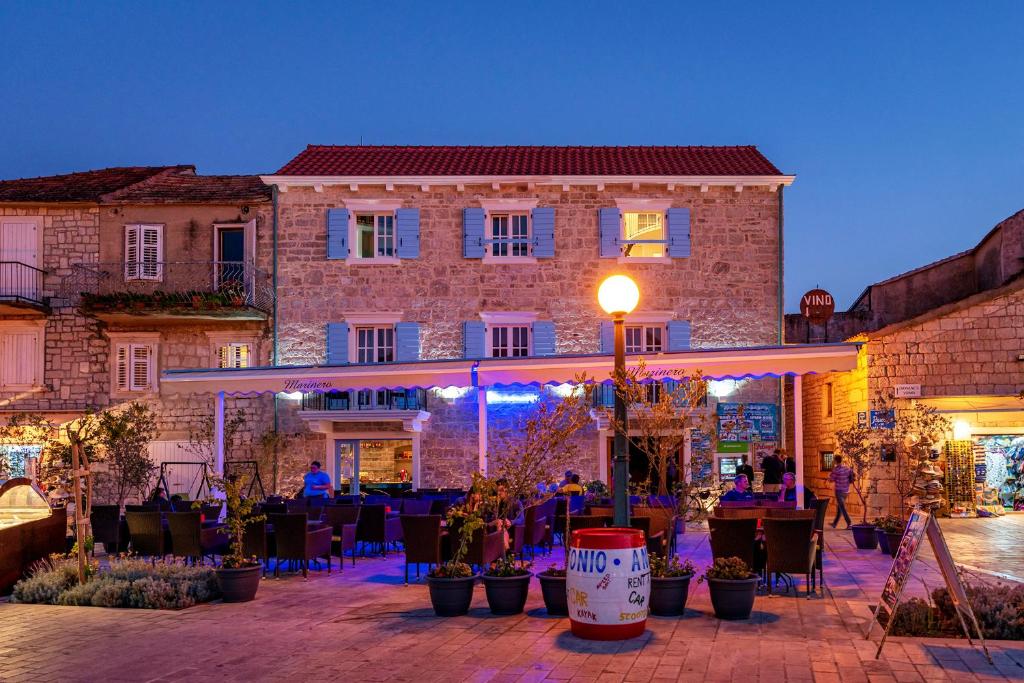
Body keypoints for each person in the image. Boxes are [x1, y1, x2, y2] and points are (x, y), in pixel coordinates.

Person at [828, 455, 854, 528]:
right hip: (846, 491)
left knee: (842, 507)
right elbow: (851, 476)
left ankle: (849, 523)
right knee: (840, 506)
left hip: (839, 491)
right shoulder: (846, 468)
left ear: (836, 461)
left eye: (834, 460)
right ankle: (834, 523)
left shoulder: (836, 470)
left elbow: (831, 480)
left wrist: (829, 477)